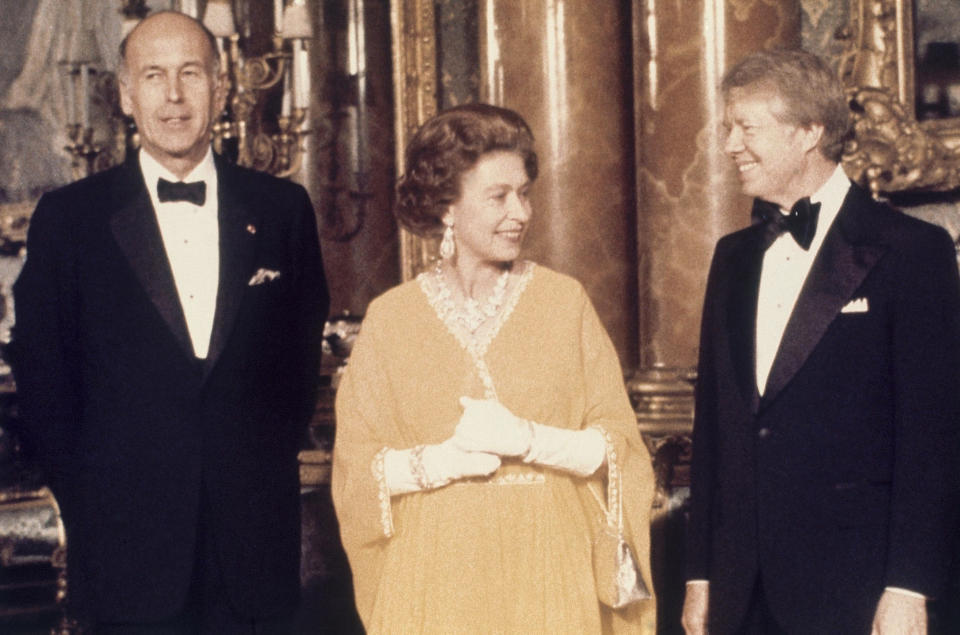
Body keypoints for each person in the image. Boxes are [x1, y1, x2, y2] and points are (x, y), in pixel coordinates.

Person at [9, 11, 328, 633]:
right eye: (153, 76)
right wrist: (95, 506)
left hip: (253, 557)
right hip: (125, 559)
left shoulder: (283, 210)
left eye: (190, 74)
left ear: (222, 86)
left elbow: (295, 373)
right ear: (127, 95)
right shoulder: (69, 220)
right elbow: (45, 386)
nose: (174, 96)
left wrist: (253, 471)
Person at [331, 103, 657, 633]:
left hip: (549, 565)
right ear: (447, 208)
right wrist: (441, 462)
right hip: (437, 575)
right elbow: (356, 475)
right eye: (499, 196)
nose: (521, 213)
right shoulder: (391, 319)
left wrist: (528, 440)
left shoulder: (563, 302)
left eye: (524, 193)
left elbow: (620, 449)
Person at [682, 48, 960, 635]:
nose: (730, 144)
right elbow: (714, 428)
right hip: (740, 590)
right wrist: (701, 575)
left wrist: (910, 586)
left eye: (746, 127)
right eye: (729, 126)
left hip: (856, 590)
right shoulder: (731, 258)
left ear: (809, 132)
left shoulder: (913, 252)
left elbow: (932, 437)